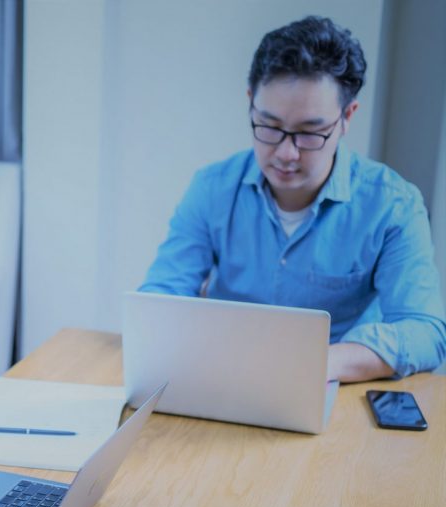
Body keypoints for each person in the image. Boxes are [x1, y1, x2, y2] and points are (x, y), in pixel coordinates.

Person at [140, 16, 446, 382]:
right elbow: (157, 301)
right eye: (269, 127)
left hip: (335, 388)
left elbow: (426, 332)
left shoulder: (392, 205)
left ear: (347, 117)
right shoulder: (212, 188)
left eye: (309, 133)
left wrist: (322, 363)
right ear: (251, 102)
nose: (286, 153)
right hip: (227, 380)